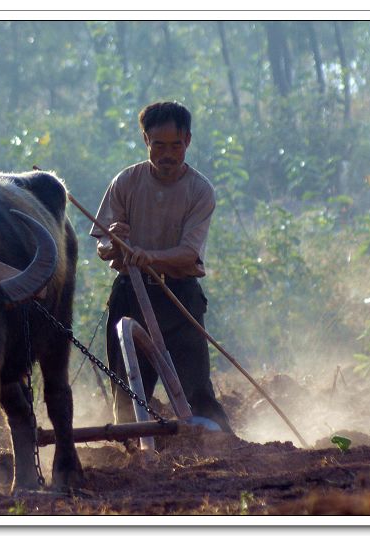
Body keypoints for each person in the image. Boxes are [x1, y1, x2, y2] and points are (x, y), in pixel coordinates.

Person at [90, 101, 233, 433]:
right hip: (130, 296)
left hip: (179, 295)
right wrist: (113, 242)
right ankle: (133, 451)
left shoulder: (200, 190)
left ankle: (223, 447)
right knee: (126, 389)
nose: (167, 154)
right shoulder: (125, 182)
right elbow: (102, 246)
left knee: (196, 387)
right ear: (145, 141)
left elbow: (188, 253)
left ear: (188, 141)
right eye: (159, 145)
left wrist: (148, 256)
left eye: (176, 146)